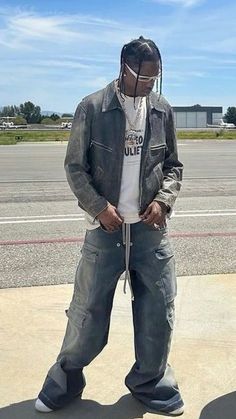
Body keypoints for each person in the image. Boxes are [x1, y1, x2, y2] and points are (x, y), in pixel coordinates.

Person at [35, 36, 184, 416]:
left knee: (159, 309)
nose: (150, 84)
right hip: (105, 232)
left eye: (156, 77)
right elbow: (74, 167)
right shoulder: (92, 108)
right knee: (87, 313)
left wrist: (163, 201)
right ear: (124, 69)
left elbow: (173, 167)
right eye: (144, 77)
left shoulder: (161, 109)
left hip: (150, 232)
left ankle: (151, 381)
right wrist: (99, 207)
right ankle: (64, 380)